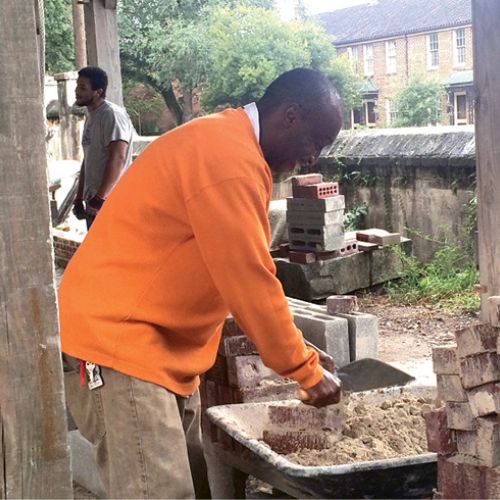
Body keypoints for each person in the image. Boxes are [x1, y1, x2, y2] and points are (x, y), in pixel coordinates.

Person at [59, 68, 343, 499]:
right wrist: (303, 369)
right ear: (291, 116)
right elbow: (249, 280)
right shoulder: (229, 159)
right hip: (119, 344)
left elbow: (232, 272)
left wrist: (298, 347)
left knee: (192, 484)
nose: (313, 159)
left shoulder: (231, 147)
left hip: (158, 349)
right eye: (315, 142)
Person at [72, 66, 133, 228]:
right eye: (77, 86)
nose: (77, 91)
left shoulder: (111, 115)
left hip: (112, 201)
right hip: (93, 201)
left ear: (98, 92)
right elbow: (88, 159)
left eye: (83, 88)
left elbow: (118, 157)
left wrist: (100, 198)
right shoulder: (92, 116)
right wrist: (79, 196)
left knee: (115, 244)